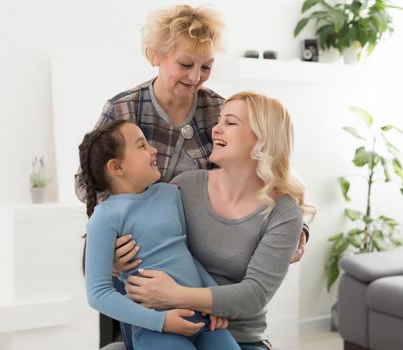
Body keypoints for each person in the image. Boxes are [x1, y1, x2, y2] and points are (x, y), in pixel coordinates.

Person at [74, 4, 308, 348]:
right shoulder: (123, 110)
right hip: (142, 277)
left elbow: (266, 172)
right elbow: (89, 182)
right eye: (185, 64)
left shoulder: (219, 110)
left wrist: (295, 229)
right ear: (156, 55)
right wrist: (109, 246)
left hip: (198, 281)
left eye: (206, 67)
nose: (195, 77)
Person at [121, 92, 316, 350]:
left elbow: (254, 295)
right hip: (170, 328)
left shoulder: (284, 212)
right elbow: (147, 243)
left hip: (241, 339)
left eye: (230, 123)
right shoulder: (184, 187)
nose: (216, 129)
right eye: (219, 121)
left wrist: (175, 294)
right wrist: (118, 261)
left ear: (262, 139)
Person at [79, 119, 241, 350]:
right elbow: (98, 293)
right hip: (155, 329)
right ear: (117, 167)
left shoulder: (169, 195)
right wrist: (161, 321)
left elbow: (184, 254)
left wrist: (213, 299)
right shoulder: (105, 217)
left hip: (203, 321)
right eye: (141, 145)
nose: (153, 149)